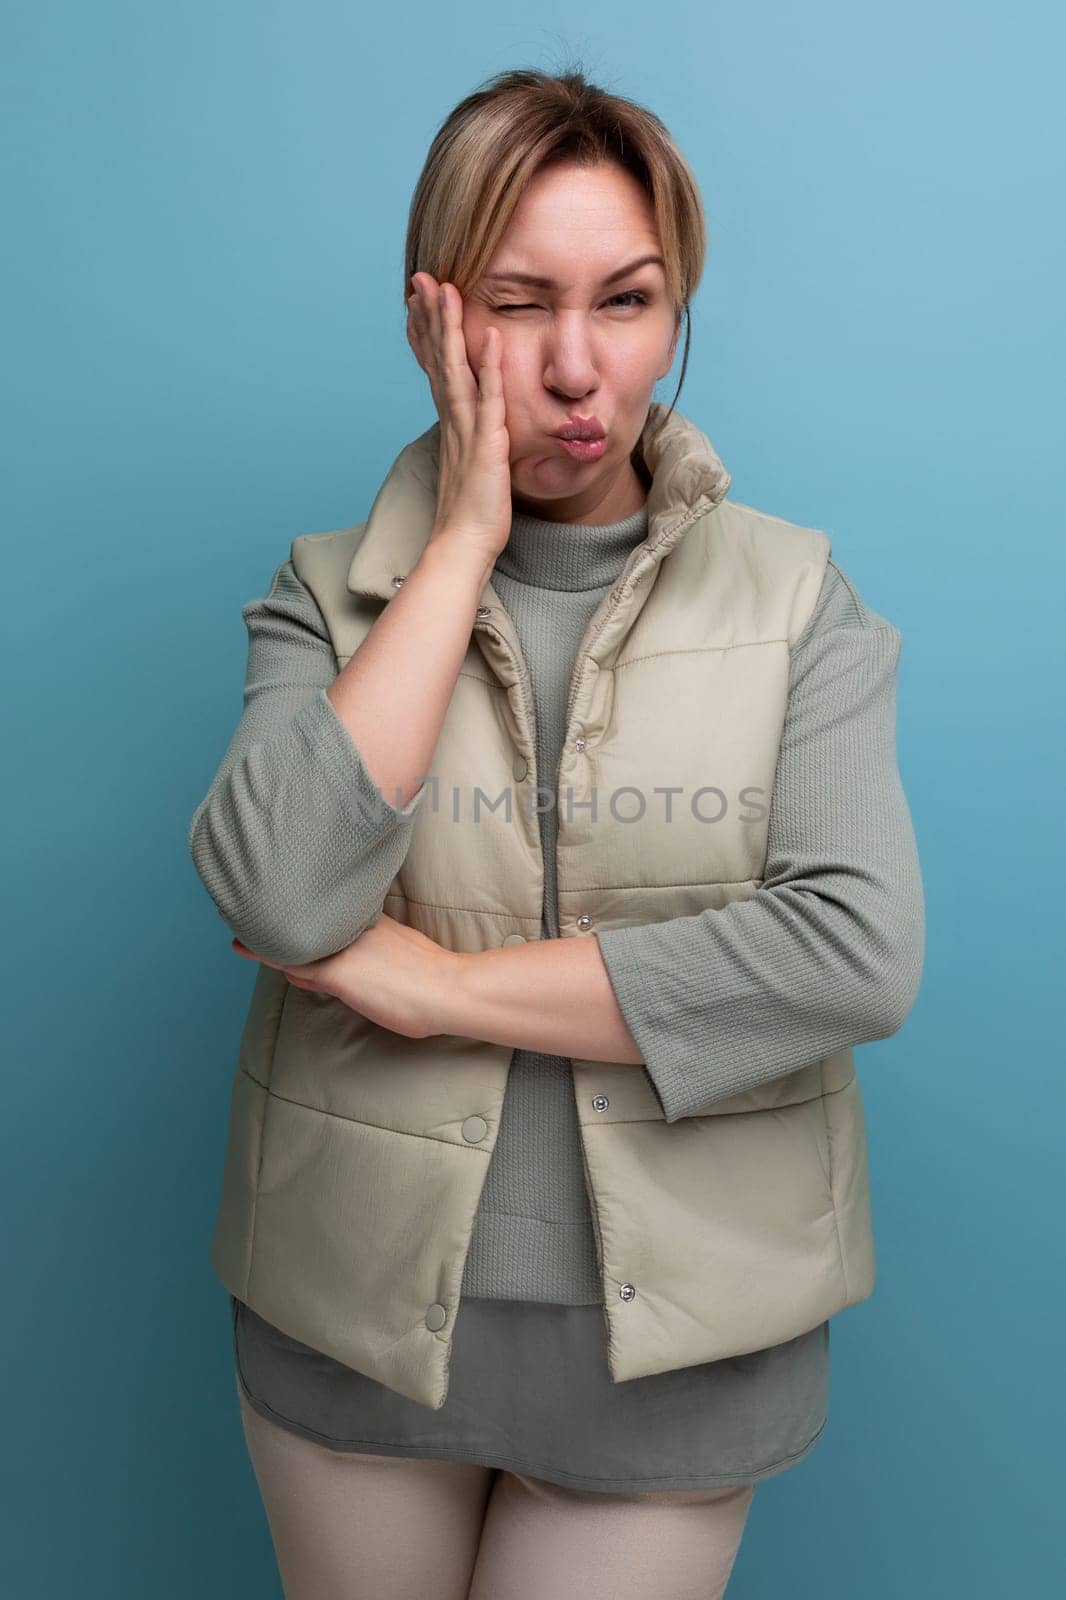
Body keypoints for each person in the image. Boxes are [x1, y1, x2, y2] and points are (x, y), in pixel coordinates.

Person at [188, 65, 925, 1600]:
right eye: (520, 306)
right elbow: (276, 888)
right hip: (354, 1330)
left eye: (630, 300)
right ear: (435, 316)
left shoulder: (801, 603)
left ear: (677, 308)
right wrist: (457, 541)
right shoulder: (328, 597)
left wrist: (433, 986)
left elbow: (848, 956)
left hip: (681, 1351)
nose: (581, 368)